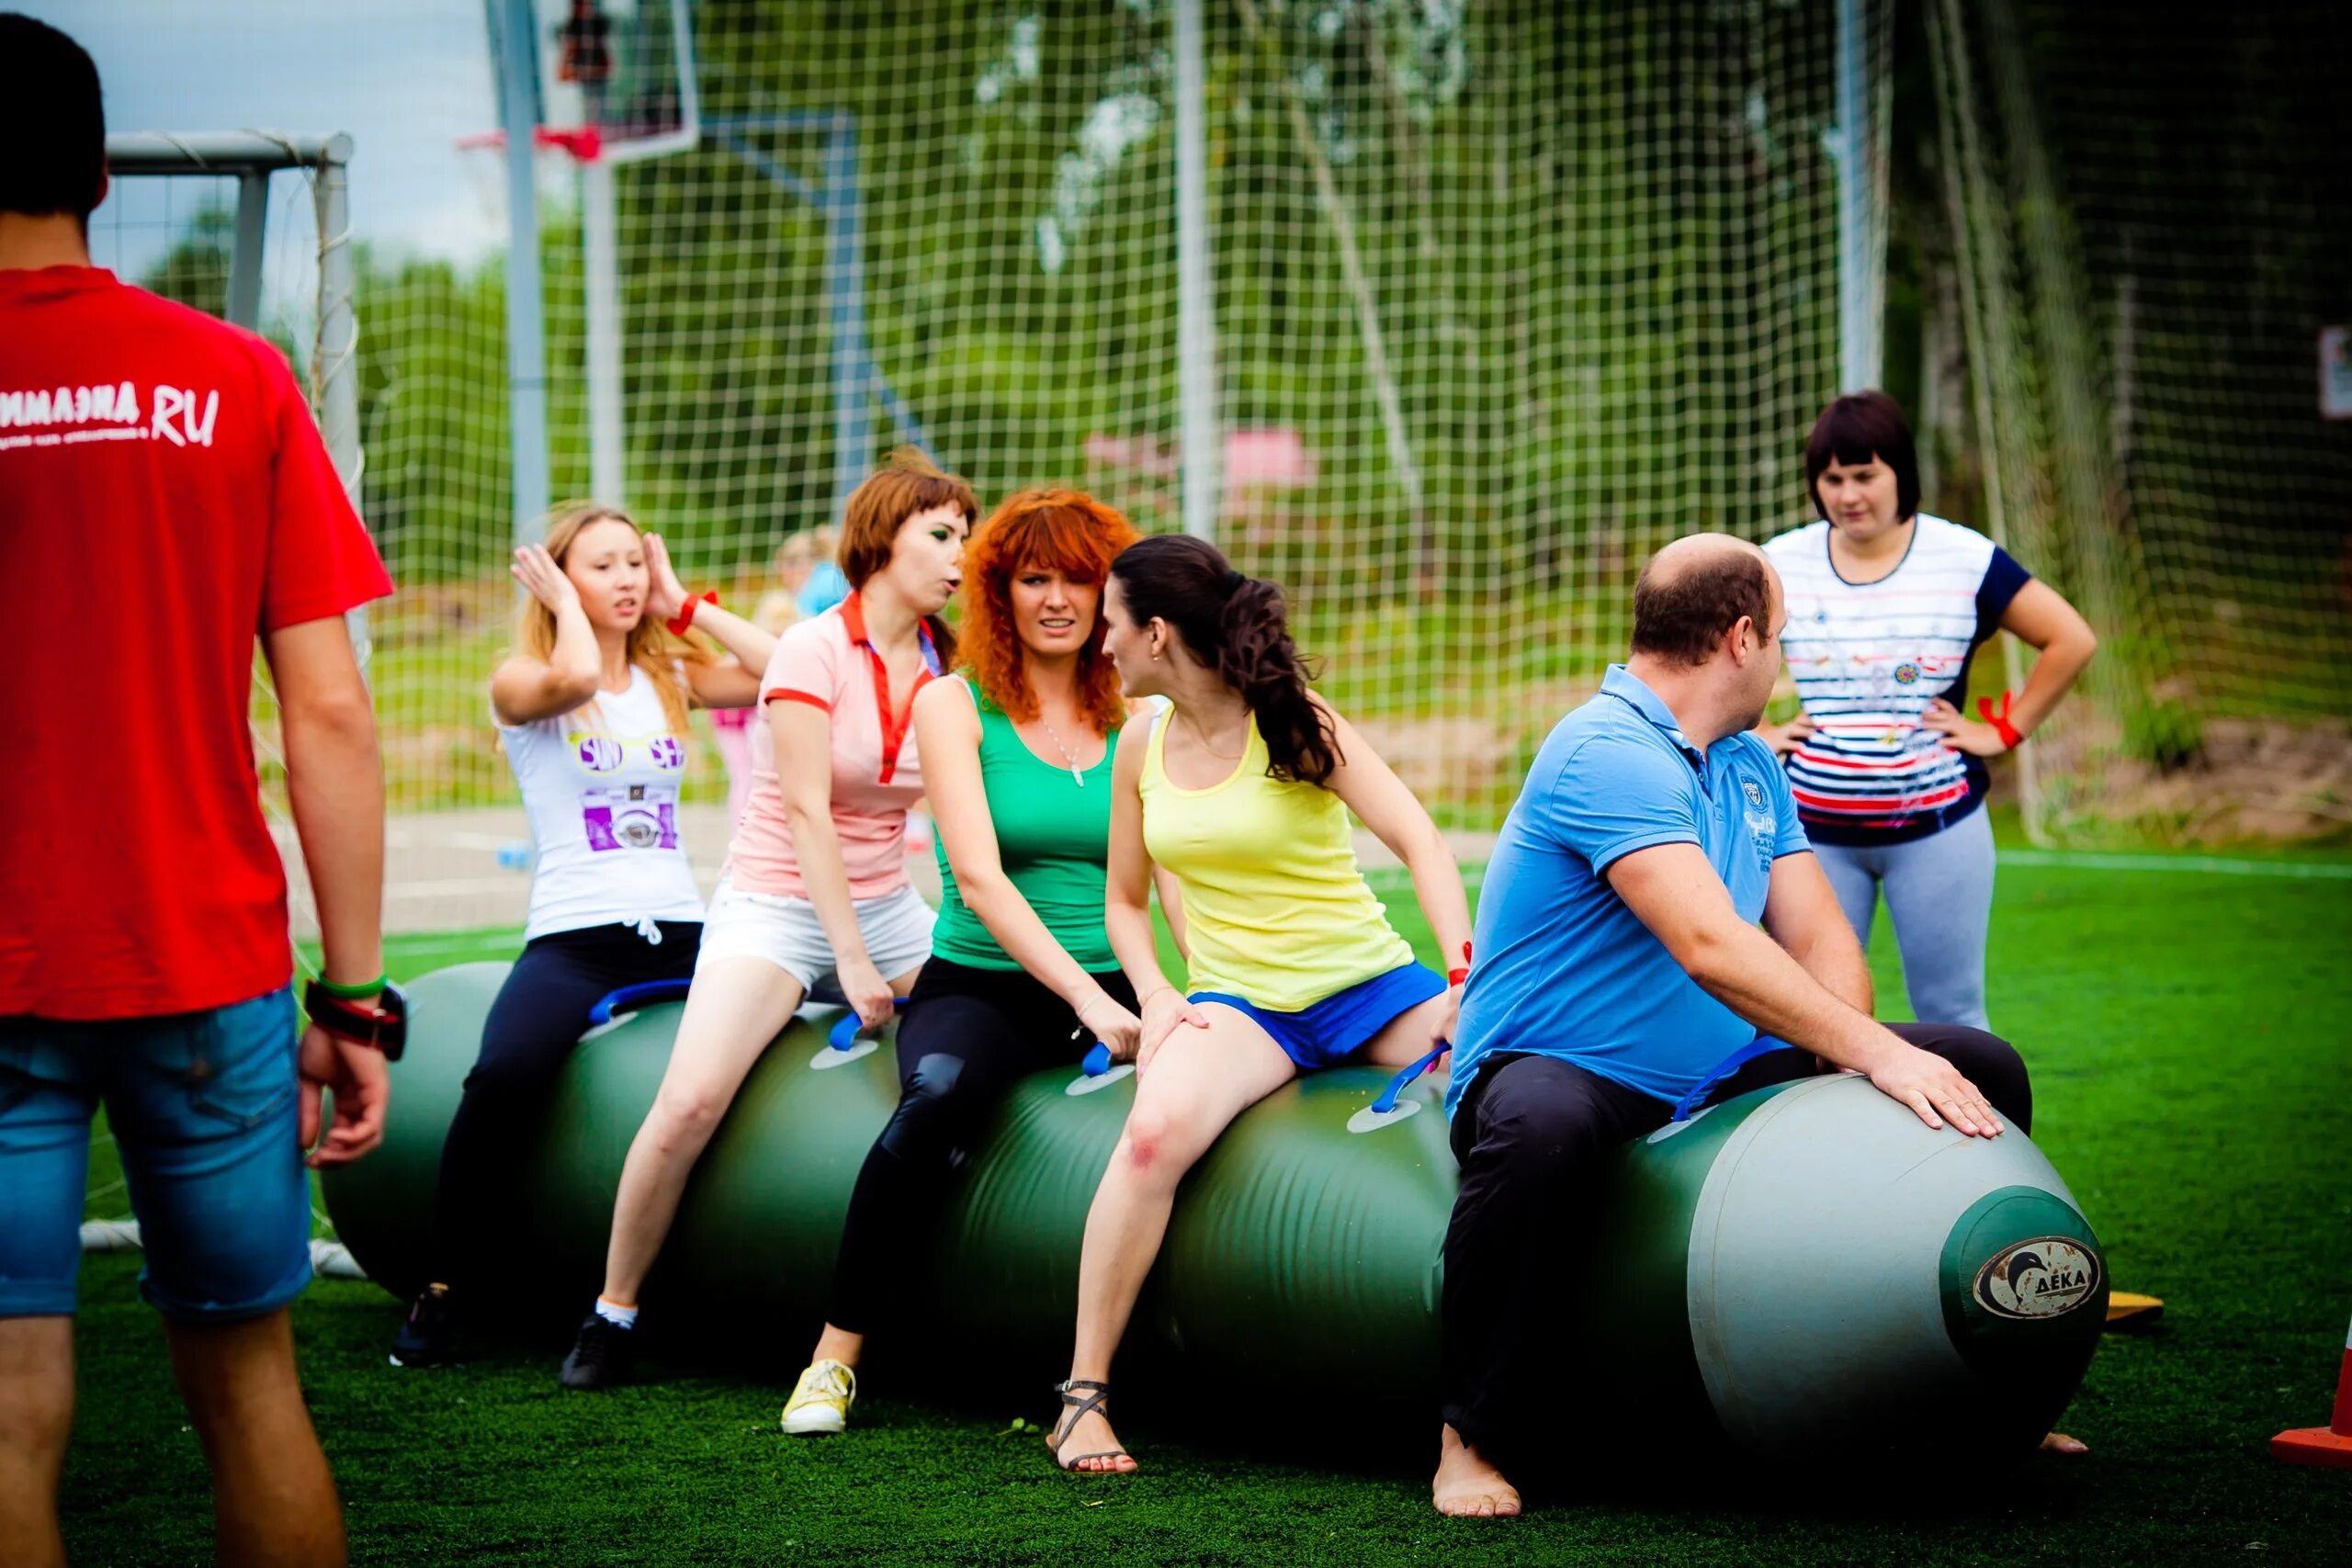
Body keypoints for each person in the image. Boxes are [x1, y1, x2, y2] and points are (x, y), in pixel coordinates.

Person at [0, 17, 393, 1566]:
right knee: (247, 1387)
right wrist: (356, 1003)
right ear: (101, 171)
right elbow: (334, 715)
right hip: (207, 967)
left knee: (12, 1405)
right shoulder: (232, 377)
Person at [1430, 535, 2049, 1520]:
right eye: (1783, 639)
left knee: (1976, 1063)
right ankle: (1470, 1436)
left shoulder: (1753, 767)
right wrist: (1873, 1051)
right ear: (1741, 637)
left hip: (1716, 1068)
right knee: (1538, 1124)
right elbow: (1709, 944)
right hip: (1567, 1067)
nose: (1785, 660)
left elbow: (1818, 936)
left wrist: (1848, 1058)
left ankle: (1991, 1371)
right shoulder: (1605, 750)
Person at [1046, 535, 1474, 1474]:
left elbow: (1417, 839)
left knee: (1494, 1075)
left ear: (1155, 633)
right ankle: (1082, 1398)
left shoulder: (1290, 717)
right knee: (1151, 1136)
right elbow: (1124, 900)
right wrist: (1156, 995)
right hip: (1241, 1006)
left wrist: (1457, 982)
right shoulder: (1138, 746)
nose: (1100, 644)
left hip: (1369, 987)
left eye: (1111, 625)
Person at [559, 449, 972, 1390]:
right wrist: (855, 963)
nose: (960, 555)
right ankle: (612, 1310)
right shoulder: (815, 646)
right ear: (882, 542)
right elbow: (803, 811)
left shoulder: (953, 655)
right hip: (776, 905)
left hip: (887, 906)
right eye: (941, 534)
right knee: (689, 1102)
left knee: (985, 1042)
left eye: (966, 535)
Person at [779, 487, 1155, 1436]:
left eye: (1081, 579)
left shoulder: (1137, 717)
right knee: (937, 1095)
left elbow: (1162, 878)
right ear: (998, 591)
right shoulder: (954, 703)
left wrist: (1170, 994)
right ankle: (834, 1356)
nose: (1059, 599)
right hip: (986, 983)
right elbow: (979, 881)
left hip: (1115, 975)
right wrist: (1089, 1002)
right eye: (1036, 579)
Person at [388, 503, 777, 1368]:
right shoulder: (519, 679)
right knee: (501, 1077)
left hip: (682, 926)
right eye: (604, 566)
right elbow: (571, 680)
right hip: (574, 933)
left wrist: (685, 605)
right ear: (561, 579)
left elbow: (782, 674)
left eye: (635, 562)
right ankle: (445, 1285)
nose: (628, 579)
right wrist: (568, 613)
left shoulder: (671, 672)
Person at [1758, 391, 2098, 1030]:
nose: (1848, 494)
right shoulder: (1780, 561)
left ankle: (1979, 1134)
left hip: (1940, 831)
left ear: (1901, 474)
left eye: (1865, 475)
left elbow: (2071, 639)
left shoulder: (1964, 559)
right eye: (1832, 479)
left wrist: (2002, 729)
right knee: (1804, 1015)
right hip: (1810, 835)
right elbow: (1722, 648)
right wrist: (1764, 731)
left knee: (1952, 1013)